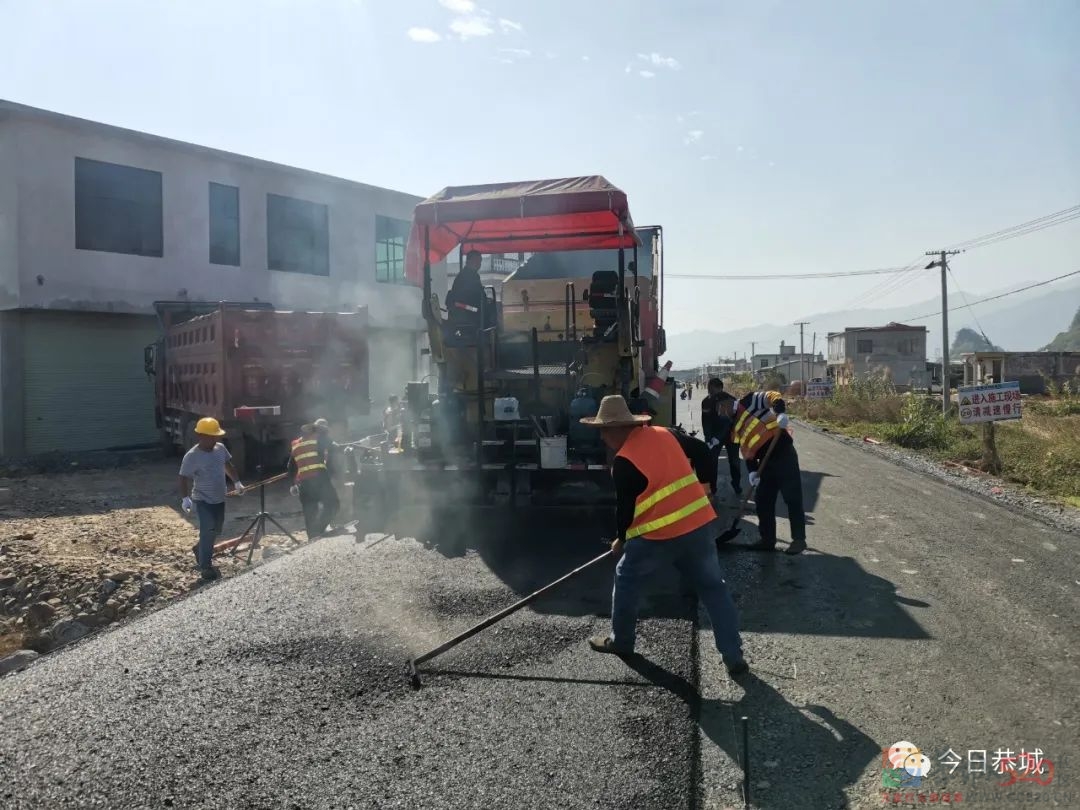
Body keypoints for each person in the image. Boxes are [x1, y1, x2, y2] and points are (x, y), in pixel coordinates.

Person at [580, 395, 748, 677]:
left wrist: (620, 540)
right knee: (713, 589)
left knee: (626, 578)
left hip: (658, 536)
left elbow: (625, 512)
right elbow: (705, 453)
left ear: (617, 429)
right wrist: (707, 490)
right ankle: (733, 656)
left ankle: (621, 642)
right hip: (697, 526)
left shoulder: (624, 461)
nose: (602, 438)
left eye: (603, 431)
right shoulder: (665, 433)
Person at [731, 390, 807, 555]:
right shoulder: (734, 425)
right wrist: (752, 471)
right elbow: (746, 449)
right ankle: (767, 540)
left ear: (728, 402)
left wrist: (779, 413)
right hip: (765, 463)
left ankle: (799, 540)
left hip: (783, 454)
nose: (721, 412)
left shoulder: (750, 401)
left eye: (721, 407)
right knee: (763, 500)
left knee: (792, 497)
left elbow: (773, 395)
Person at [179, 417, 244, 581]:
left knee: (216, 530)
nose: (215, 439)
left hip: (219, 498)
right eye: (211, 436)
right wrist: (185, 498)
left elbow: (228, 465)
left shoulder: (220, 448)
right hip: (202, 499)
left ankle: (200, 549)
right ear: (200, 435)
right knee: (207, 529)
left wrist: (237, 482)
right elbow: (183, 477)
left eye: (216, 436)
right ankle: (205, 567)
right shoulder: (192, 456)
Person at [288, 422, 340, 539]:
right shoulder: (319, 440)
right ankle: (319, 530)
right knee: (333, 504)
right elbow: (335, 447)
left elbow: (290, 467)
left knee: (309, 511)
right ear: (314, 432)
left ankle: (312, 537)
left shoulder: (296, 445)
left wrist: (292, 485)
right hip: (320, 480)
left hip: (304, 484)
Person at [701, 378, 742, 495]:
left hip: (727, 435)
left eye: (710, 387)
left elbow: (726, 422)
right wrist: (708, 438)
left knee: (728, 461)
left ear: (718, 387)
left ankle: (731, 485)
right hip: (720, 436)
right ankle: (720, 487)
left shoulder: (726, 400)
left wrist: (714, 438)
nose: (709, 389)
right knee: (720, 461)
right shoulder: (707, 401)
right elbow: (705, 421)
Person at [445, 250, 484, 325]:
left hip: (462, 307)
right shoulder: (469, 275)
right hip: (465, 308)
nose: (479, 264)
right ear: (469, 261)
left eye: (480, 261)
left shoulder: (467, 274)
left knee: (483, 308)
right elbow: (477, 294)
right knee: (483, 311)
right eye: (477, 261)